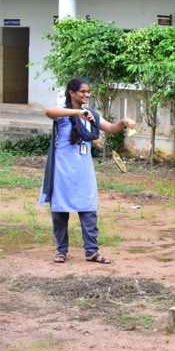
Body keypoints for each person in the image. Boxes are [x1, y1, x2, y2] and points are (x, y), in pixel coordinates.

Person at [39, 77, 136, 265]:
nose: (87, 95)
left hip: (83, 170)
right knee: (59, 212)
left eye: (88, 92)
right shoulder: (65, 113)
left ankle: (91, 252)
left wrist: (123, 122)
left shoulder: (92, 114)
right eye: (83, 91)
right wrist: (78, 113)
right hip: (62, 169)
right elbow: (48, 111)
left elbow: (110, 128)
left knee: (88, 209)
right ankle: (61, 251)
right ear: (72, 93)